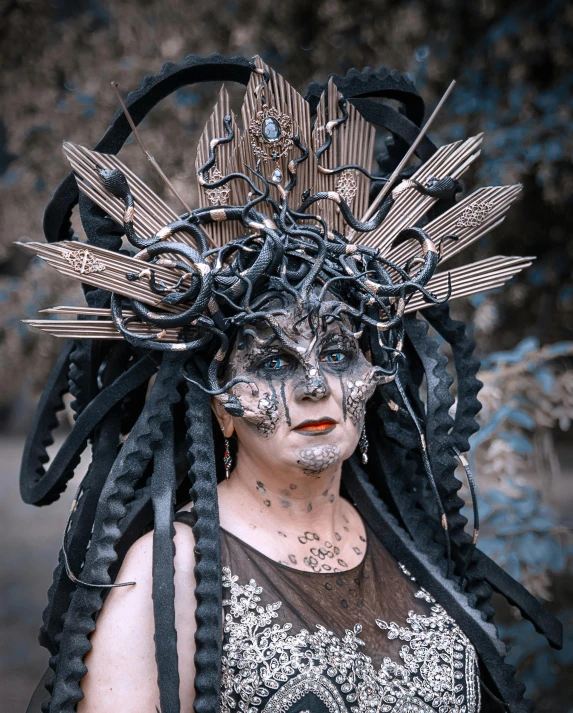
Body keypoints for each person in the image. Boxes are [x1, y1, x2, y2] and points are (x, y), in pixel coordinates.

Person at [21, 55, 561, 713]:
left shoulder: (420, 550)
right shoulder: (169, 571)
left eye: (336, 354)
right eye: (273, 363)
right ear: (220, 402)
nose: (314, 385)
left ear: (372, 374)